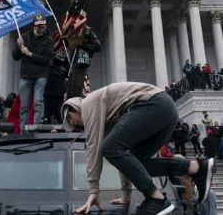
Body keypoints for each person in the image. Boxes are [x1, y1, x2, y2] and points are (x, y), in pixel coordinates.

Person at [62, 82, 215, 214]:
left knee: (108, 147)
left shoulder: (88, 104)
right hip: (166, 110)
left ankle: (157, 199)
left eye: (70, 117)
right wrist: (127, 196)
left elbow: (93, 147)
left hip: (155, 104)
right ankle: (195, 168)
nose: (72, 122)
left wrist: (94, 190)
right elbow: (126, 161)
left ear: (75, 106)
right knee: (135, 160)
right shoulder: (108, 116)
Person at [12, 14, 54, 129]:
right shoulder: (25, 37)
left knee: (38, 103)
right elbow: (15, 57)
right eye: (38, 26)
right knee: (24, 106)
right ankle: (23, 130)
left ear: (45, 25)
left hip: (41, 75)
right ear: (34, 26)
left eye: (43, 25)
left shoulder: (49, 40)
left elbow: (48, 60)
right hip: (26, 75)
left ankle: (36, 128)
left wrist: (30, 54)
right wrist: (18, 46)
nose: (41, 28)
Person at [66, 22, 101, 99]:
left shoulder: (87, 31)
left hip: (81, 64)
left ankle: (77, 108)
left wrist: (82, 45)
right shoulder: (73, 31)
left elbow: (98, 47)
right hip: (72, 65)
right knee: (70, 90)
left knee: (76, 89)